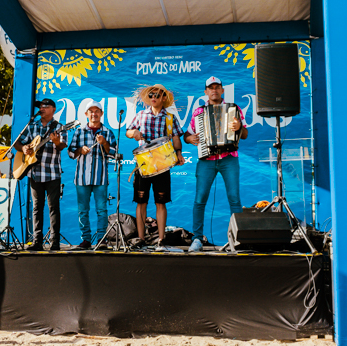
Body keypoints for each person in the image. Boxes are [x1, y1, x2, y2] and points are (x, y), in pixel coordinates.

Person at [183, 76, 247, 252]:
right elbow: (186, 135)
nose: (214, 90)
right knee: (200, 198)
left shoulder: (234, 109)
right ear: (206, 92)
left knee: (234, 198)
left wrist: (238, 127)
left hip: (229, 157)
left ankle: (238, 239)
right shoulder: (198, 112)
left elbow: (245, 135)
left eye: (217, 87)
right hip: (207, 160)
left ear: (222, 89)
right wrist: (191, 138)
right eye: (211, 88)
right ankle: (197, 239)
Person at [126, 84, 184, 248]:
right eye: (151, 95)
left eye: (157, 95)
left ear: (163, 98)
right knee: (141, 202)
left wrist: (179, 153)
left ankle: (161, 239)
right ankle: (141, 239)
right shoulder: (141, 114)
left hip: (162, 165)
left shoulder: (170, 117)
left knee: (161, 202)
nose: (154, 97)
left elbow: (176, 137)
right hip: (143, 165)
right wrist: (134, 133)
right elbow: (128, 131)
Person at [15, 97, 67, 251]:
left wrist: (56, 142)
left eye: (45, 106)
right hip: (35, 173)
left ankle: (54, 242)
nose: (42, 109)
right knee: (37, 208)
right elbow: (17, 142)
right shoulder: (32, 125)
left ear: (53, 109)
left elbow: (62, 145)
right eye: (40, 106)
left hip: (53, 173)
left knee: (53, 208)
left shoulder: (59, 127)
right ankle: (37, 241)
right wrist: (24, 149)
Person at [67, 100, 118, 250]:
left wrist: (104, 144)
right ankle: (86, 240)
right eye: (91, 111)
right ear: (86, 114)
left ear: (101, 114)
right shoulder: (79, 131)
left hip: (100, 178)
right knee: (83, 210)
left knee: (101, 210)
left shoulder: (108, 132)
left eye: (97, 111)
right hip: (82, 178)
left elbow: (114, 153)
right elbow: (71, 153)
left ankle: (102, 239)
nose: (94, 114)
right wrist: (79, 151)